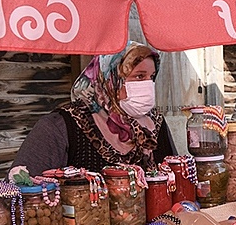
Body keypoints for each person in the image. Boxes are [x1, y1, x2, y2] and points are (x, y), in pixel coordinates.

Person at [11, 41, 176, 175]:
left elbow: (176, 175)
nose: (148, 85)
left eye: (151, 77)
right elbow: (22, 187)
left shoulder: (154, 122)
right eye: (139, 76)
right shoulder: (64, 124)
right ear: (110, 78)